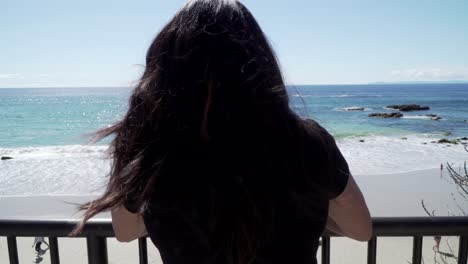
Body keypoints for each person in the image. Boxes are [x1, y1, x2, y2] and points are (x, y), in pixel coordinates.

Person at [72, 1, 372, 263]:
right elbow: (360, 230)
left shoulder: (153, 146)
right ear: (261, 63)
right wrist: (310, 216)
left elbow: (125, 232)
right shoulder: (306, 141)